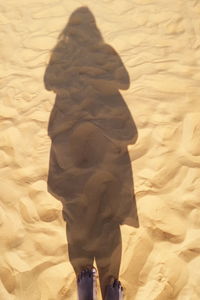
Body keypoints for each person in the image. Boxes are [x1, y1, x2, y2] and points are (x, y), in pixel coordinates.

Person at [44, 6, 138, 298]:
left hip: (76, 138)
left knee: (78, 210)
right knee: (102, 212)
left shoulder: (65, 52)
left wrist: (83, 75)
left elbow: (51, 82)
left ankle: (89, 284)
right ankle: (108, 288)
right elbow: (123, 82)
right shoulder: (102, 51)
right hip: (103, 138)